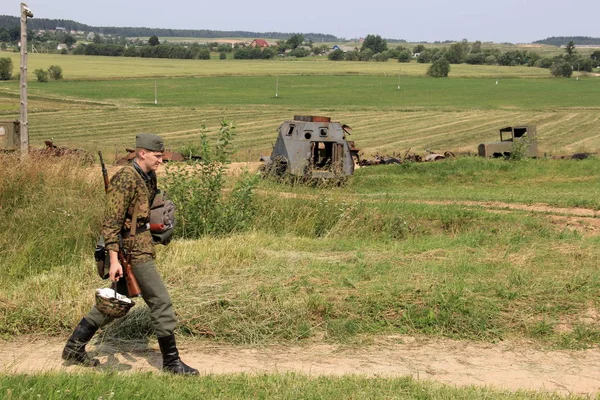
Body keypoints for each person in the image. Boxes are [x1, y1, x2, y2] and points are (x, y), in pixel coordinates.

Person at [62, 133, 198, 375]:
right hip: (131, 252)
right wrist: (114, 260)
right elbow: (111, 224)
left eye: (162, 156)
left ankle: (74, 346)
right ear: (142, 153)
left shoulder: (148, 175)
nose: (161, 161)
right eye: (157, 156)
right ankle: (171, 363)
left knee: (118, 299)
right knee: (161, 302)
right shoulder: (125, 178)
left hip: (142, 245)